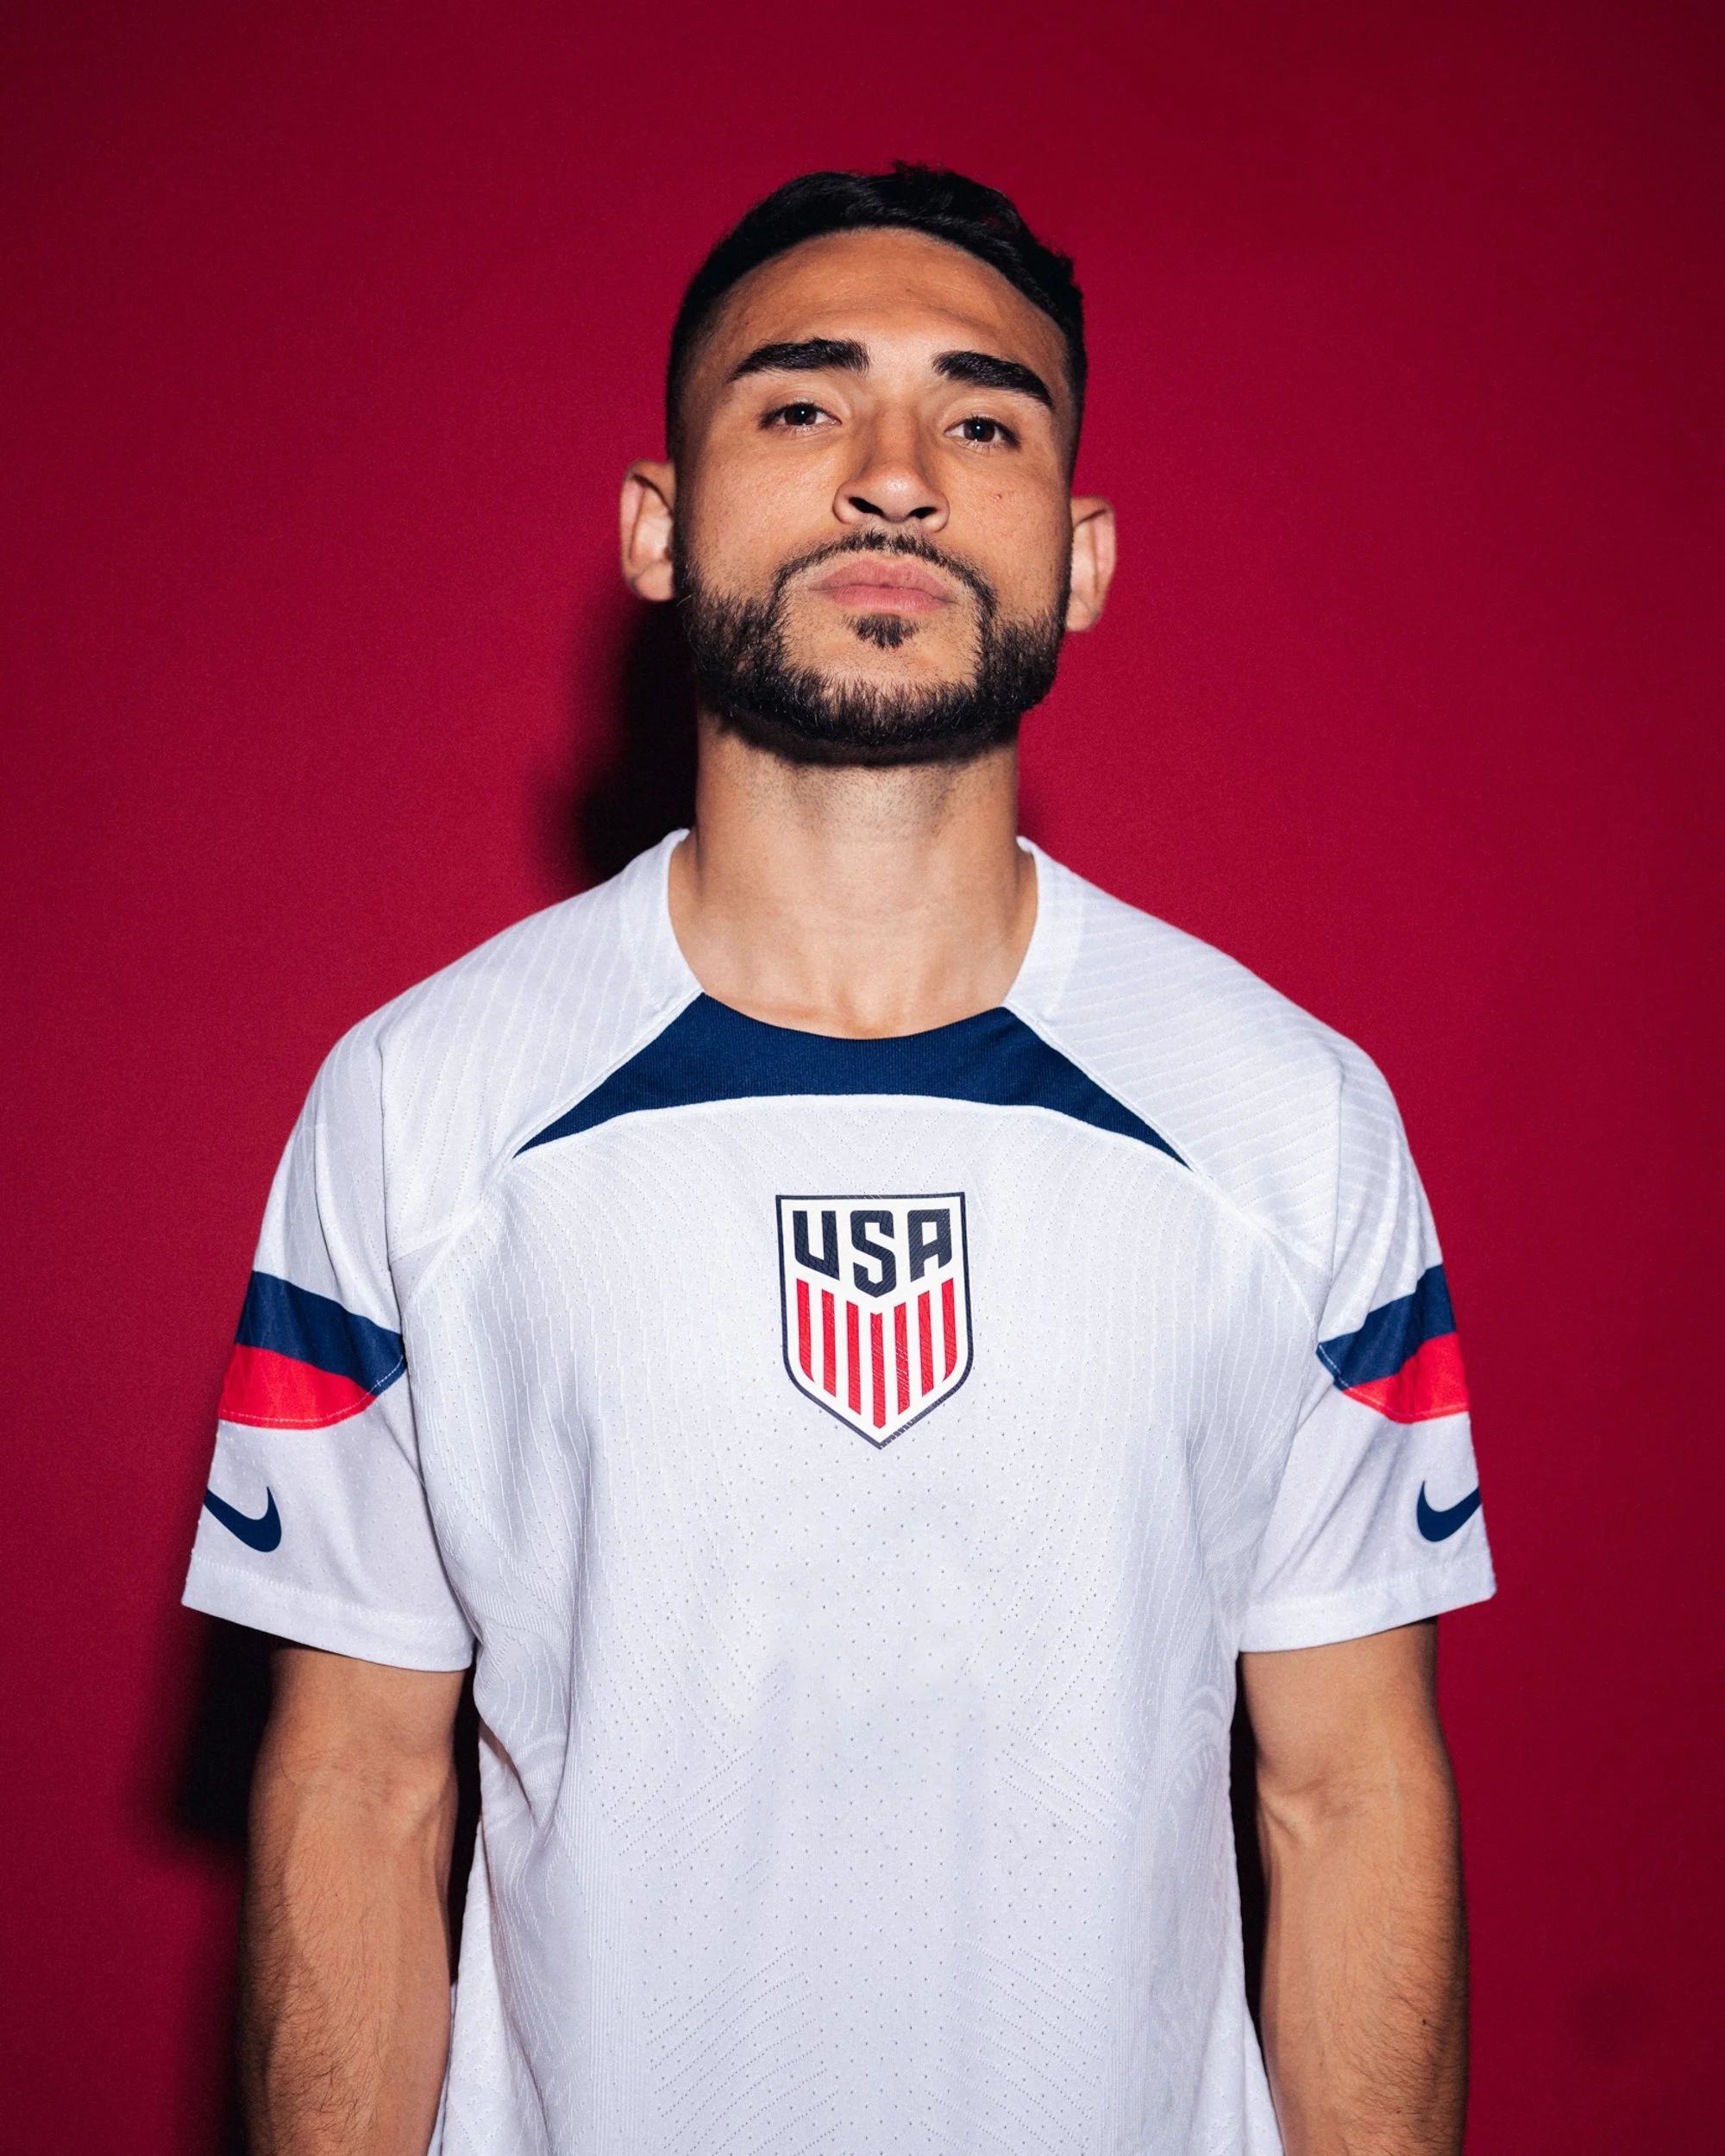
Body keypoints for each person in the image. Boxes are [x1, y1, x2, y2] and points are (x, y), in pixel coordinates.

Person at [184, 164, 1493, 2156]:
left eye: (984, 421)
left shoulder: (1287, 1115)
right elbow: (358, 1783)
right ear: (655, 523)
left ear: (1082, 549)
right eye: (800, 406)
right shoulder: (416, 1105)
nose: (896, 475)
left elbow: (1347, 1788)